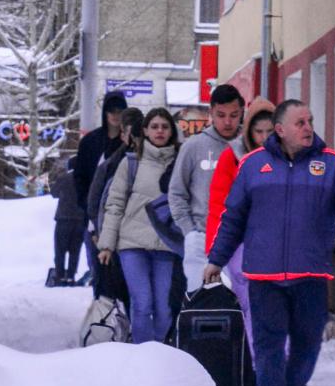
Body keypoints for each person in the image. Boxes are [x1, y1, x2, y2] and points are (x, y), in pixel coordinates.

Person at [204, 99, 335, 386]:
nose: (308, 127)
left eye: (309, 120)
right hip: (263, 273)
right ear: (279, 130)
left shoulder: (332, 164)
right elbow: (232, 216)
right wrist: (216, 259)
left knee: (307, 342)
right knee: (268, 342)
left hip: (310, 270)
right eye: (300, 122)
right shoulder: (253, 165)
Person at [97, 107, 180, 344]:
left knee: (164, 308)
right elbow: (114, 204)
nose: (160, 131)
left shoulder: (181, 163)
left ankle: (159, 350)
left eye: (165, 126)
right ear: (144, 131)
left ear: (172, 131)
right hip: (132, 244)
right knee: (142, 303)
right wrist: (107, 245)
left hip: (166, 244)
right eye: (154, 126)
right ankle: (143, 355)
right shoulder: (131, 163)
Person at [205, 96, 276, 352]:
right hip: (241, 242)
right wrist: (216, 249)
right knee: (248, 300)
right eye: (259, 131)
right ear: (249, 131)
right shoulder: (232, 158)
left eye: (270, 131)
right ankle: (258, 362)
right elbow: (219, 204)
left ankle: (277, 364)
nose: (265, 137)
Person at [169, 83, 244, 291]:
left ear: (241, 113)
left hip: (241, 240)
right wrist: (190, 232)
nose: (228, 121)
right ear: (211, 112)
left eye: (234, 115)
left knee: (241, 304)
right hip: (202, 237)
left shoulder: (248, 147)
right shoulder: (193, 147)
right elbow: (176, 193)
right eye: (221, 115)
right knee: (203, 305)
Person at [85, 108, 143, 301]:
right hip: (115, 238)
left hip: (146, 240)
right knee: (116, 292)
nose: (136, 139)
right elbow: (94, 203)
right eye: (131, 133)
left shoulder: (158, 161)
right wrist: (99, 234)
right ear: (123, 134)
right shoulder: (111, 165)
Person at [74, 91, 130, 218]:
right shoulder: (90, 141)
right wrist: (86, 204)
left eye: (119, 111)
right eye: (112, 111)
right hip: (93, 210)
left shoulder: (131, 142)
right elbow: (80, 176)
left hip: (123, 210)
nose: (116, 115)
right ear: (105, 112)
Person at [50, 155, 85, 285]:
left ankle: (59, 276)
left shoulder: (63, 178)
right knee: (75, 250)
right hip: (80, 220)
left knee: (60, 250)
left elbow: (54, 193)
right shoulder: (85, 180)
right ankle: (71, 276)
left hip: (63, 219)